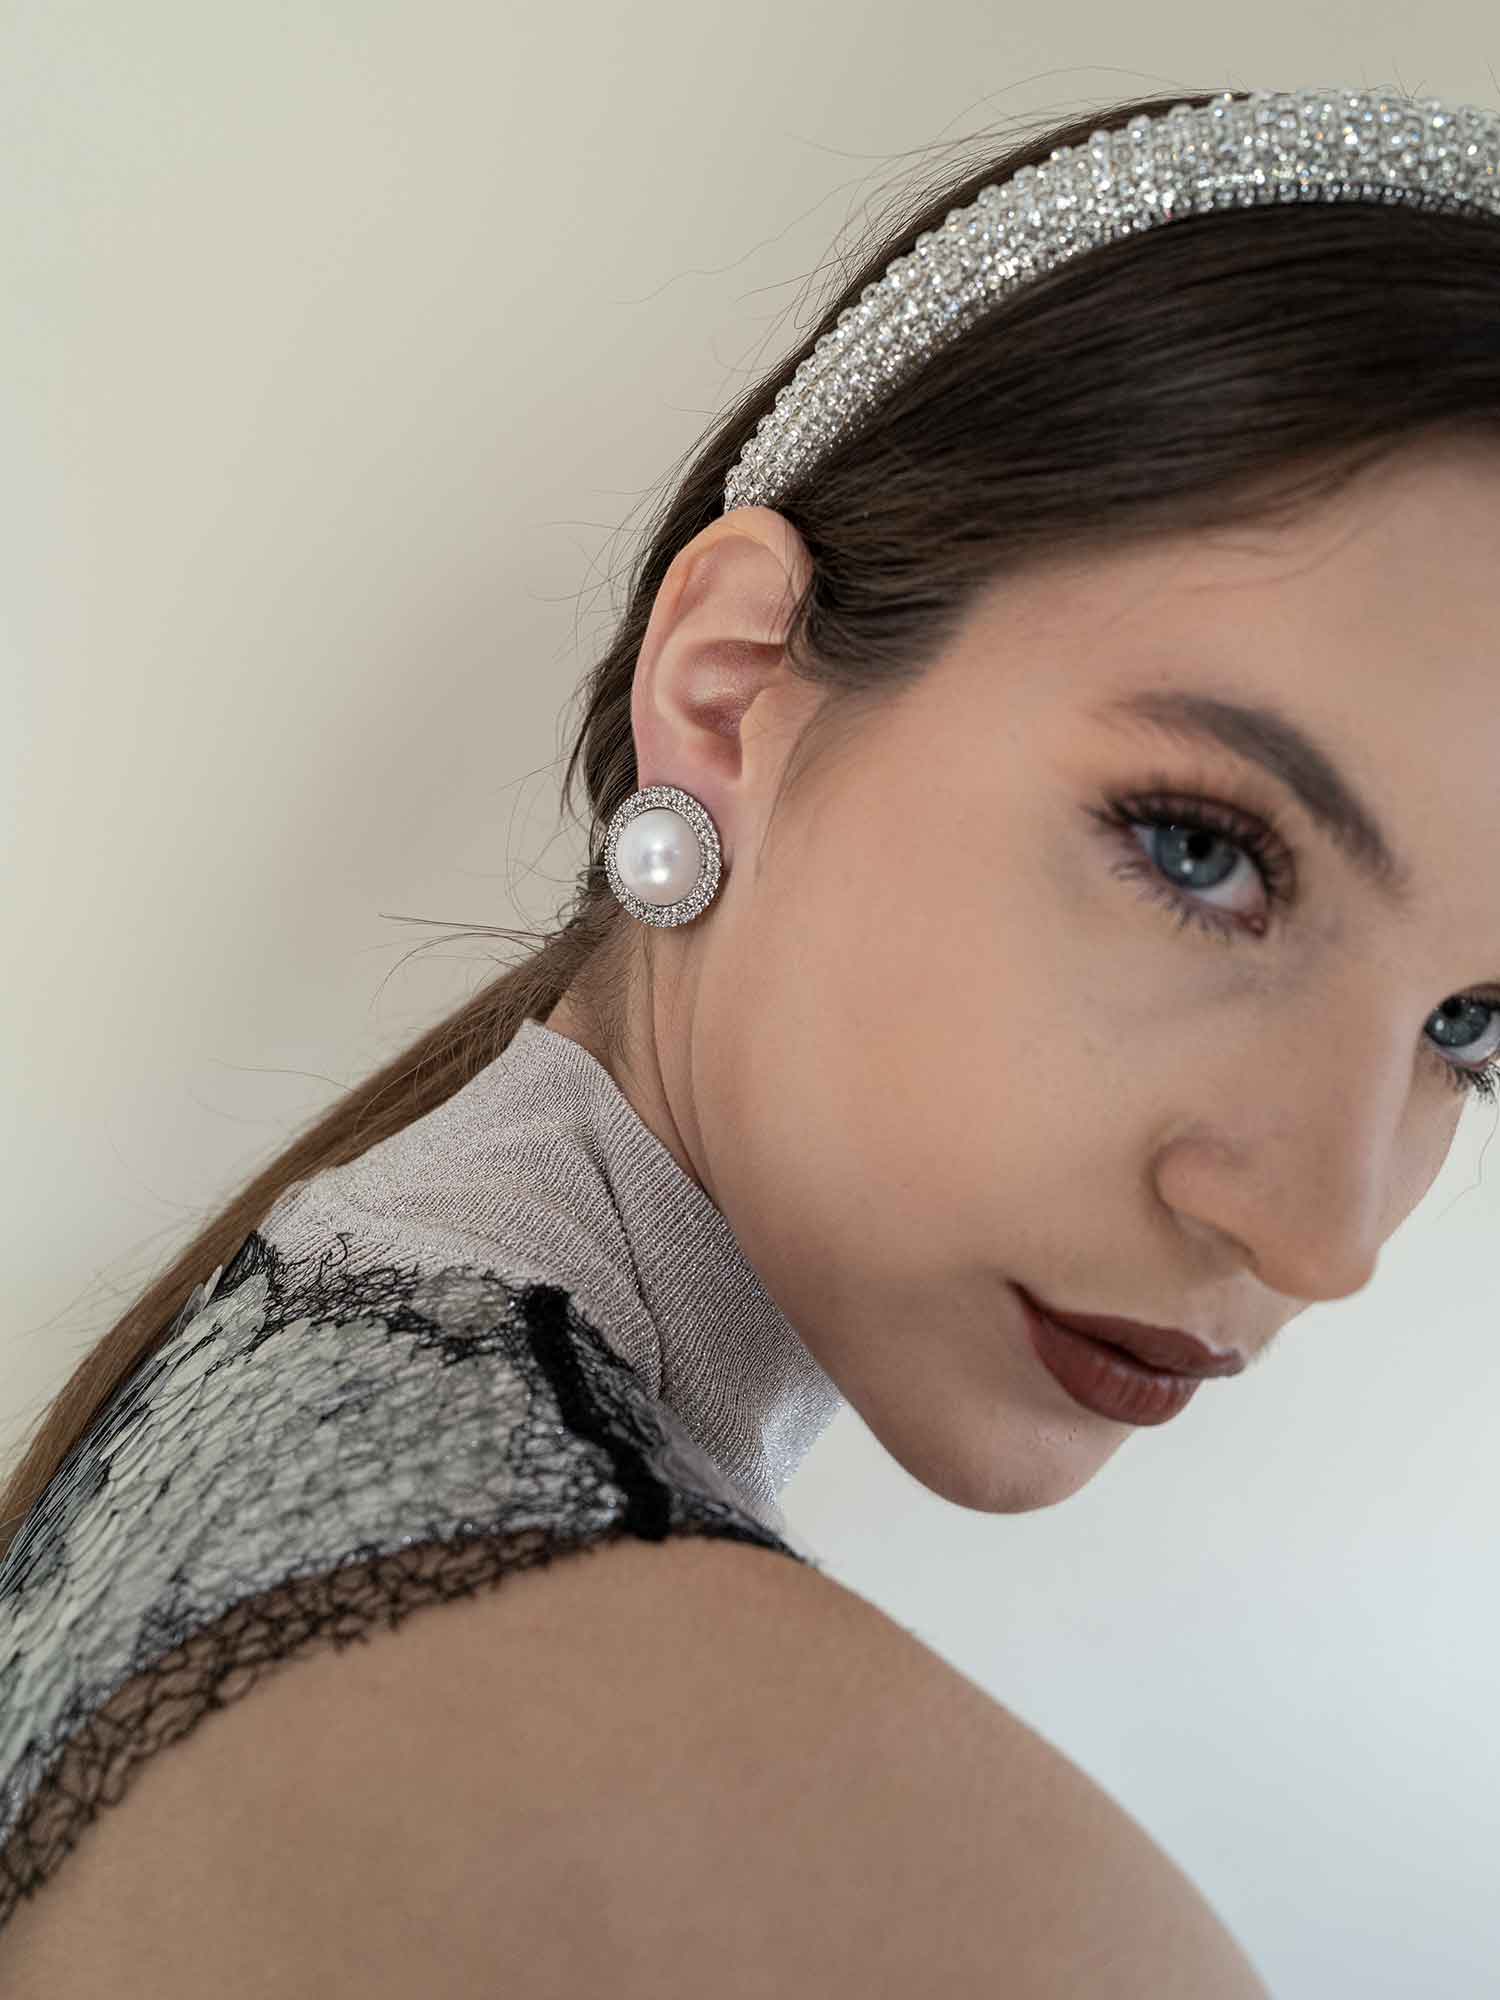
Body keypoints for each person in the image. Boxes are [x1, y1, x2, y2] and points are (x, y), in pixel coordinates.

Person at [2, 79, 1498, 1993]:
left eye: (1472, 1020)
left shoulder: (287, 1372)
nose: (1323, 1234)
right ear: (726, 696)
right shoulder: (896, 1894)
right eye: (1204, 853)